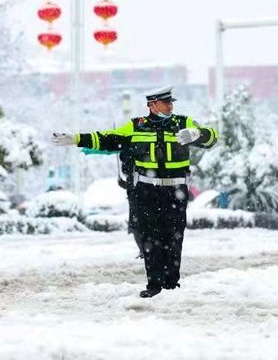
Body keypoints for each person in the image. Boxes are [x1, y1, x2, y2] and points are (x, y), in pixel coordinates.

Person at [52, 85, 218, 298]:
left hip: (175, 190)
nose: (170, 105)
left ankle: (171, 284)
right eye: (165, 102)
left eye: (171, 102)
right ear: (152, 104)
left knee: (174, 236)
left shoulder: (183, 123)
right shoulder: (136, 126)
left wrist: (198, 133)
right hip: (146, 191)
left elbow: (212, 137)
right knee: (150, 237)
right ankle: (154, 284)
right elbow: (107, 138)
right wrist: (76, 139)